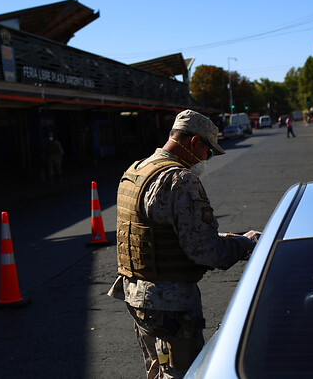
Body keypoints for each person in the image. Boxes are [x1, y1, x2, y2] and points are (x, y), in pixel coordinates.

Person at [107, 109, 260, 379]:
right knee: (184, 374)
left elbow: (162, 232)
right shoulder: (179, 179)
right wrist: (245, 245)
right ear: (194, 143)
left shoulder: (137, 170)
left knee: (157, 372)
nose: (206, 158)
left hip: (136, 295)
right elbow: (205, 252)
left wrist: (226, 237)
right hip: (170, 304)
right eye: (208, 151)